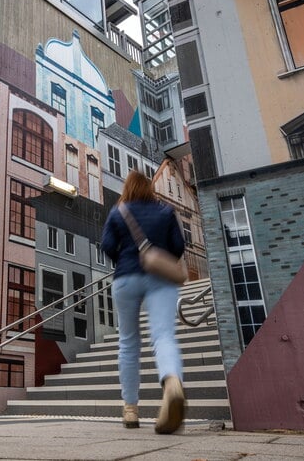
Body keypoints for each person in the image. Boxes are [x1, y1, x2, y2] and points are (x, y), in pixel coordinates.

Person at [100, 170, 186, 434]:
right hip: (160, 278)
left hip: (126, 278)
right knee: (163, 336)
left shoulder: (118, 211)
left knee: (128, 343)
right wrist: (158, 256)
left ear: (127, 188)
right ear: (149, 189)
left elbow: (106, 245)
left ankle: (130, 410)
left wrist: (125, 258)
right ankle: (171, 382)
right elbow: (178, 246)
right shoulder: (165, 211)